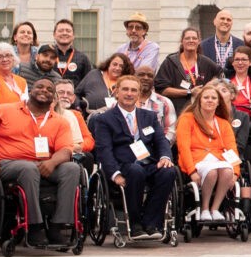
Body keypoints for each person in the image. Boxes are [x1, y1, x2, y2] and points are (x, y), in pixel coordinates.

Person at [0, 76, 90, 247]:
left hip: (44, 165)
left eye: (50, 90)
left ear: (54, 98)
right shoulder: (5, 110)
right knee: (28, 168)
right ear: (30, 91)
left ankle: (59, 225)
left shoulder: (60, 121)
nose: (44, 91)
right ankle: (35, 226)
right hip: (9, 164)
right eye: (40, 87)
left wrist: (51, 163)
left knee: (72, 168)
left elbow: (66, 150)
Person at [92, 73, 180, 241]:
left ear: (139, 94)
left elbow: (161, 140)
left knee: (169, 172)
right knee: (135, 170)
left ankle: (150, 222)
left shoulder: (149, 116)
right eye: (125, 89)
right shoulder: (104, 119)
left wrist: (165, 157)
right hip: (123, 165)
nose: (129, 93)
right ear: (116, 92)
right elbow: (104, 150)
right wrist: (115, 174)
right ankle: (135, 223)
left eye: (134, 90)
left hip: (148, 162)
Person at [175, 85, 242, 224]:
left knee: (227, 171)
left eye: (213, 98)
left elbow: (232, 150)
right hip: (195, 160)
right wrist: (192, 171)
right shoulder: (187, 119)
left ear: (218, 102)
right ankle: (204, 208)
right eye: (206, 97)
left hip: (218, 159)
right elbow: (183, 147)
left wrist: (236, 172)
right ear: (199, 100)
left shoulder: (223, 123)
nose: (209, 100)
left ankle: (215, 209)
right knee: (211, 172)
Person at [156, 28, 212, 106]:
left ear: (199, 41)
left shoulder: (206, 62)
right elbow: (161, 89)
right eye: (187, 38)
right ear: (182, 41)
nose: (191, 40)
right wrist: (189, 92)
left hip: (200, 110)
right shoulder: (170, 62)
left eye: (194, 38)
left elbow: (219, 76)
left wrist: (208, 87)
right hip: (177, 110)